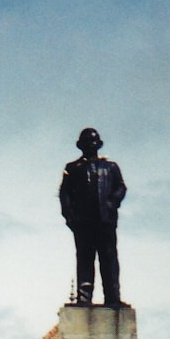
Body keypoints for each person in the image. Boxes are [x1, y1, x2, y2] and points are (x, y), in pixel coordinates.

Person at [59, 127, 127, 307]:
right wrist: (70, 217)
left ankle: (113, 296)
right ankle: (84, 297)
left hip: (105, 221)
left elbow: (121, 187)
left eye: (93, 142)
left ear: (99, 144)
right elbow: (64, 194)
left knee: (109, 258)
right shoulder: (73, 169)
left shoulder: (110, 167)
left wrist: (112, 203)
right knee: (84, 258)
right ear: (81, 146)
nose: (91, 145)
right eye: (87, 142)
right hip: (83, 222)